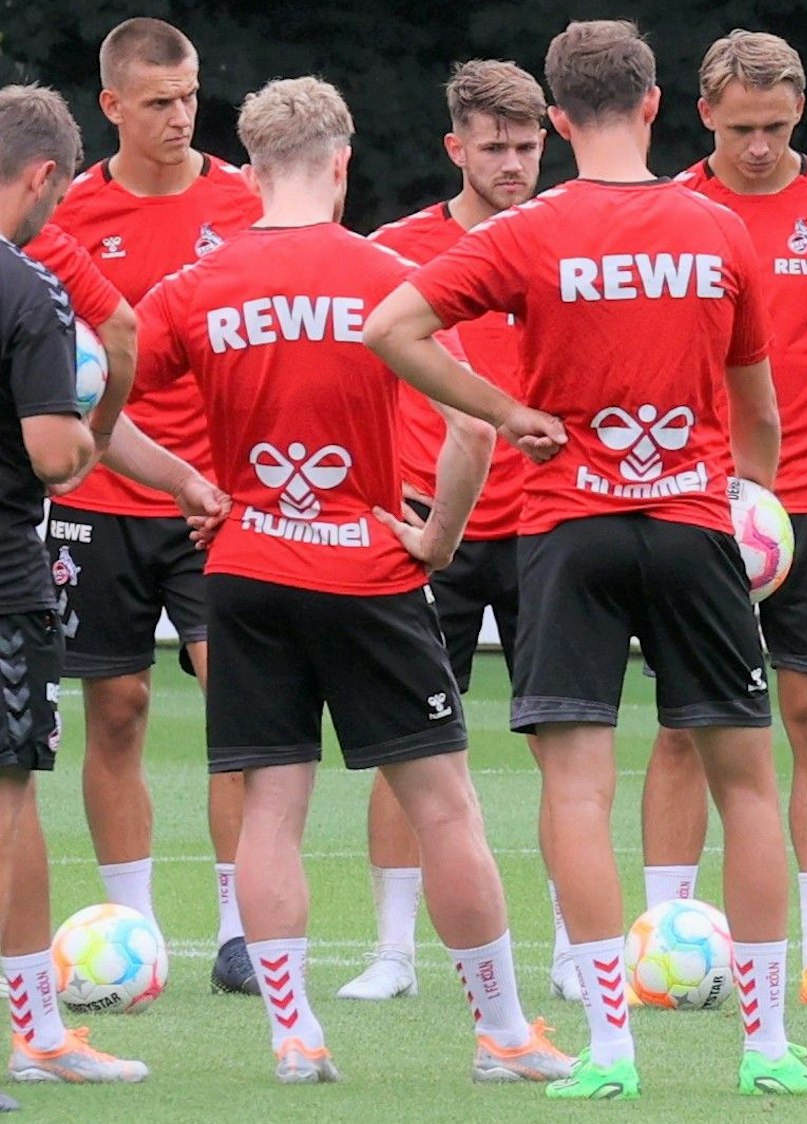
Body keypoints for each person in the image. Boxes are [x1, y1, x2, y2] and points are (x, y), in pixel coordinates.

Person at [365, 19, 807, 1099]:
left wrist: (506, 412)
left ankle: (609, 1051)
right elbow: (760, 413)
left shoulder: (528, 231)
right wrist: (751, 508)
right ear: (657, 104)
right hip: (694, 527)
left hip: (568, 530)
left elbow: (391, 326)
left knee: (577, 791)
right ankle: (768, 1048)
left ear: (558, 117)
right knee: (747, 786)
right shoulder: (719, 230)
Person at [134, 75, 570, 1087]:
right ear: (341, 163)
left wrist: (190, 484)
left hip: (245, 570)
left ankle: (294, 1035)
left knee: (270, 807)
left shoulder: (199, 285)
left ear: (249, 173)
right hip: (367, 571)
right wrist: (439, 542)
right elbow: (472, 429)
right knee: (445, 807)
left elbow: (92, 400)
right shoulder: (388, 277)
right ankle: (503, 1033)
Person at [646, 28, 807, 1009]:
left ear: (800, 114)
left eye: (778, 128)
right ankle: (661, 943)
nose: (759, 146)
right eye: (741, 128)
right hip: (694, 501)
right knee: (683, 724)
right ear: (703, 114)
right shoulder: (670, 210)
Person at [46, 16, 264, 995]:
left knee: (240, 701)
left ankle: (239, 929)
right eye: (159, 102)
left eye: (190, 97)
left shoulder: (246, 203)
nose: (182, 117)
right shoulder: (67, 213)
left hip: (219, 496)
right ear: (111, 106)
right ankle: (131, 926)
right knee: (119, 708)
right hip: (100, 493)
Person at [340, 58, 549, 1004]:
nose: (512, 164)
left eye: (527, 146)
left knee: (565, 743)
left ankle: (574, 954)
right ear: (454, 147)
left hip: (546, 522)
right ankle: (393, 953)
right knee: (405, 746)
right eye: (494, 147)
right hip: (429, 522)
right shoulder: (394, 252)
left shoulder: (564, 241)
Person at [0, 85, 152, 1101]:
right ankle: (37, 1034)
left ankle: (40, 1033)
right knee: (6, 805)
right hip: (4, 585)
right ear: (46, 175)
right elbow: (56, 456)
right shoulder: (29, 289)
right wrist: (90, 428)